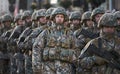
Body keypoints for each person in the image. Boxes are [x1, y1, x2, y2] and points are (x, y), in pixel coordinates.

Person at [33, 7, 77, 74]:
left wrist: (70, 57)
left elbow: (76, 49)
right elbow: (37, 48)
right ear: (53, 18)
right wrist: (37, 66)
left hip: (65, 68)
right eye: (57, 16)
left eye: (62, 17)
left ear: (64, 19)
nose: (59, 18)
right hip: (48, 68)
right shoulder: (46, 32)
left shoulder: (69, 33)